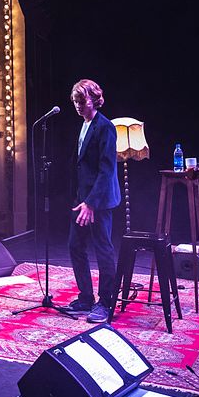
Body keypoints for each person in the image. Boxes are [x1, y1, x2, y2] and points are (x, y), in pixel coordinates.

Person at [64, 79, 121, 324]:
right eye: (75, 101)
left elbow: (106, 170)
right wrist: (81, 199)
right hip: (83, 199)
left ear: (94, 99)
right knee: (75, 246)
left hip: (99, 200)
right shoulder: (84, 124)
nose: (77, 105)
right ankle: (85, 297)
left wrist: (91, 203)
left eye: (81, 100)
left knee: (103, 249)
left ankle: (106, 302)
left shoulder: (105, 127)